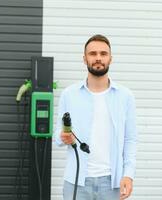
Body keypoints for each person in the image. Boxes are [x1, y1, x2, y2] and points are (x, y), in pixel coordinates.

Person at [55, 34, 137, 200]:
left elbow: (130, 139)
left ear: (110, 59)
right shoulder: (69, 95)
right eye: (92, 54)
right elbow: (57, 136)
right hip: (76, 182)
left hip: (112, 183)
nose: (98, 58)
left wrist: (128, 174)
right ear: (84, 59)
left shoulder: (125, 96)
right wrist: (63, 137)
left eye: (103, 54)